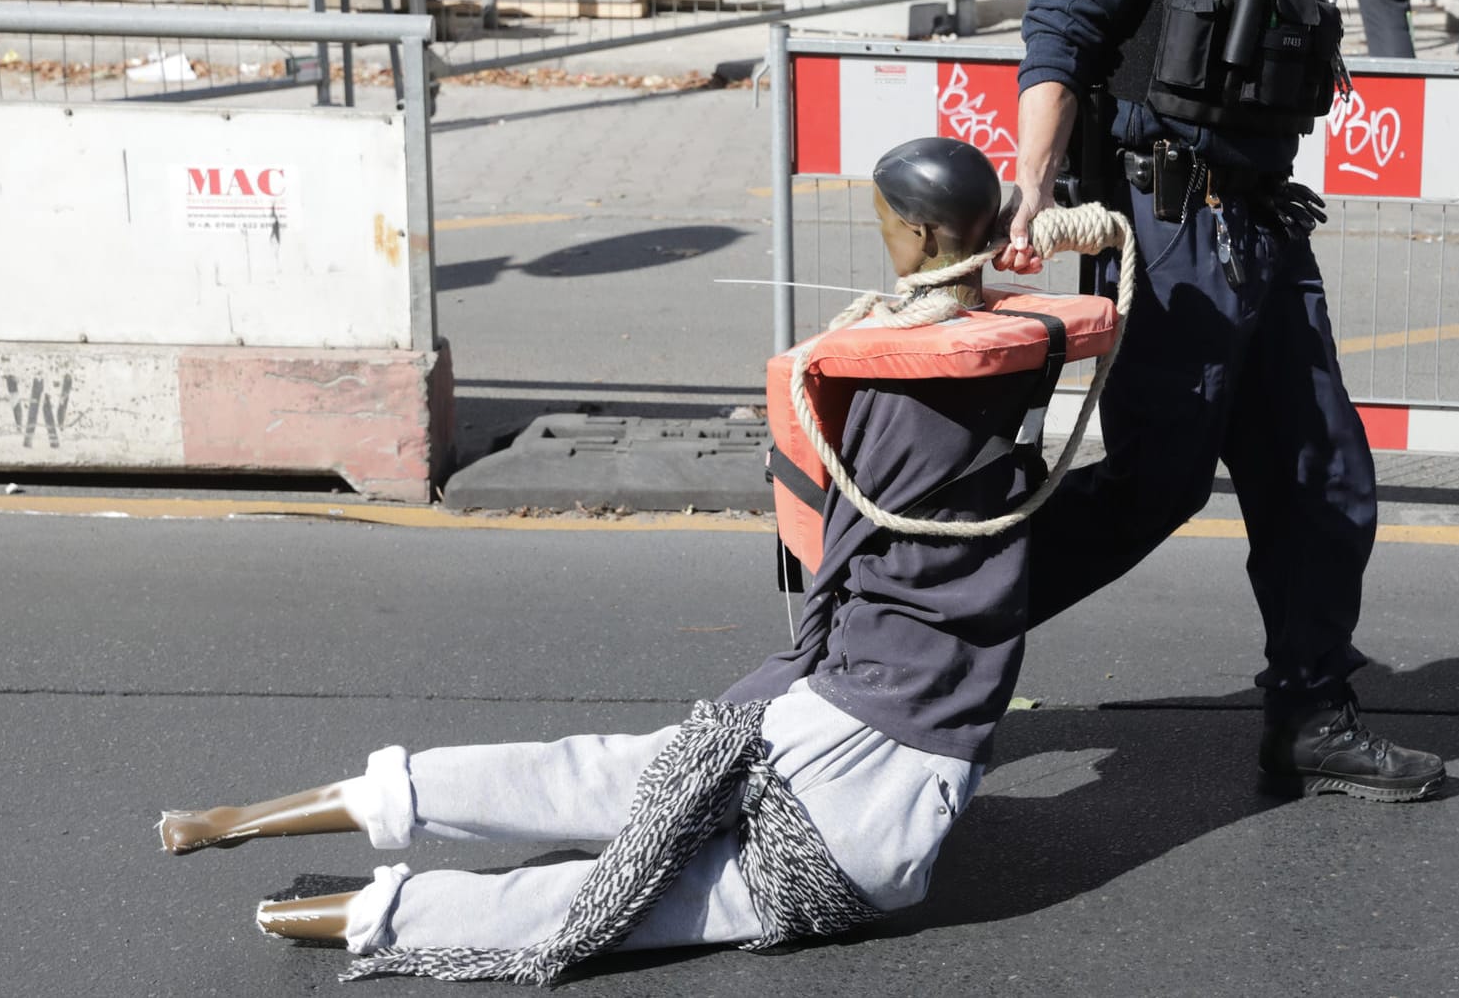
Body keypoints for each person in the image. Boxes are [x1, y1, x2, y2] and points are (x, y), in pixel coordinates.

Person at [154, 139, 1061, 985]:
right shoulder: (1012, 367)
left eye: (879, 224)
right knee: (615, 892)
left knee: (586, 786)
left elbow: (830, 533)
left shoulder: (900, 393)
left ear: (911, 235)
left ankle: (261, 835)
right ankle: (337, 910)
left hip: (826, 753)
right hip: (880, 826)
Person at [995, 0, 1447, 801]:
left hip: (1266, 220)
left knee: (1323, 475)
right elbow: (1063, 28)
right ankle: (924, 618)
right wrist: (1036, 186)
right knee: (1155, 483)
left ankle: (1310, 715)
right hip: (1169, 224)